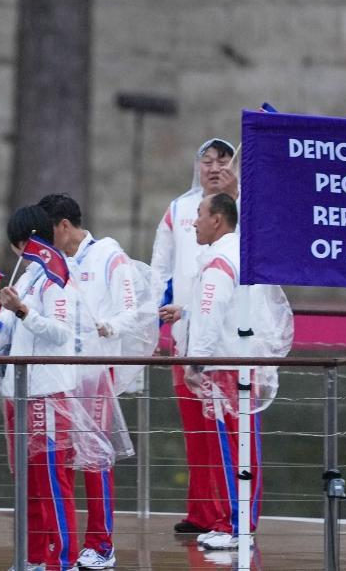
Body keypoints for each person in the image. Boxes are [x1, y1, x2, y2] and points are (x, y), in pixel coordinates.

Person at [0, 205, 112, 571]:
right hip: (19, 390)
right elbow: (10, 328)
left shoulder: (58, 277)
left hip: (47, 391)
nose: (19, 251)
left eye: (21, 244)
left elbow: (60, 333)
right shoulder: (29, 276)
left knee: (52, 481)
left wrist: (25, 310)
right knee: (27, 482)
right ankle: (30, 558)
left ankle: (60, 559)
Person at [36, 194, 155, 570]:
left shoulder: (108, 256)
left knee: (96, 458)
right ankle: (60, 545)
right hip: (58, 373)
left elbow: (134, 311)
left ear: (64, 226)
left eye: (47, 229)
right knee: (60, 459)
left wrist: (111, 326)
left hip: (93, 373)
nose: (43, 237)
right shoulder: (51, 263)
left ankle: (101, 543)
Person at [149, 138, 240, 535]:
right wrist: (152, 326)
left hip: (229, 339)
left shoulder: (240, 211)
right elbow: (160, 271)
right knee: (196, 428)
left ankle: (230, 516)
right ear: (197, 165)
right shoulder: (179, 210)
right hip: (185, 332)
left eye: (223, 161)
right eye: (208, 161)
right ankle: (201, 511)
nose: (215, 167)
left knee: (226, 428)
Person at [169, 193, 262, 552]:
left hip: (223, 368)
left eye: (200, 215)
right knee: (243, 448)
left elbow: (211, 315)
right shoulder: (241, 255)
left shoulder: (218, 263)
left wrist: (196, 361)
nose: (194, 222)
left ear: (218, 220)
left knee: (229, 450)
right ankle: (239, 524)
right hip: (241, 363)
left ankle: (232, 525)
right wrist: (188, 312)